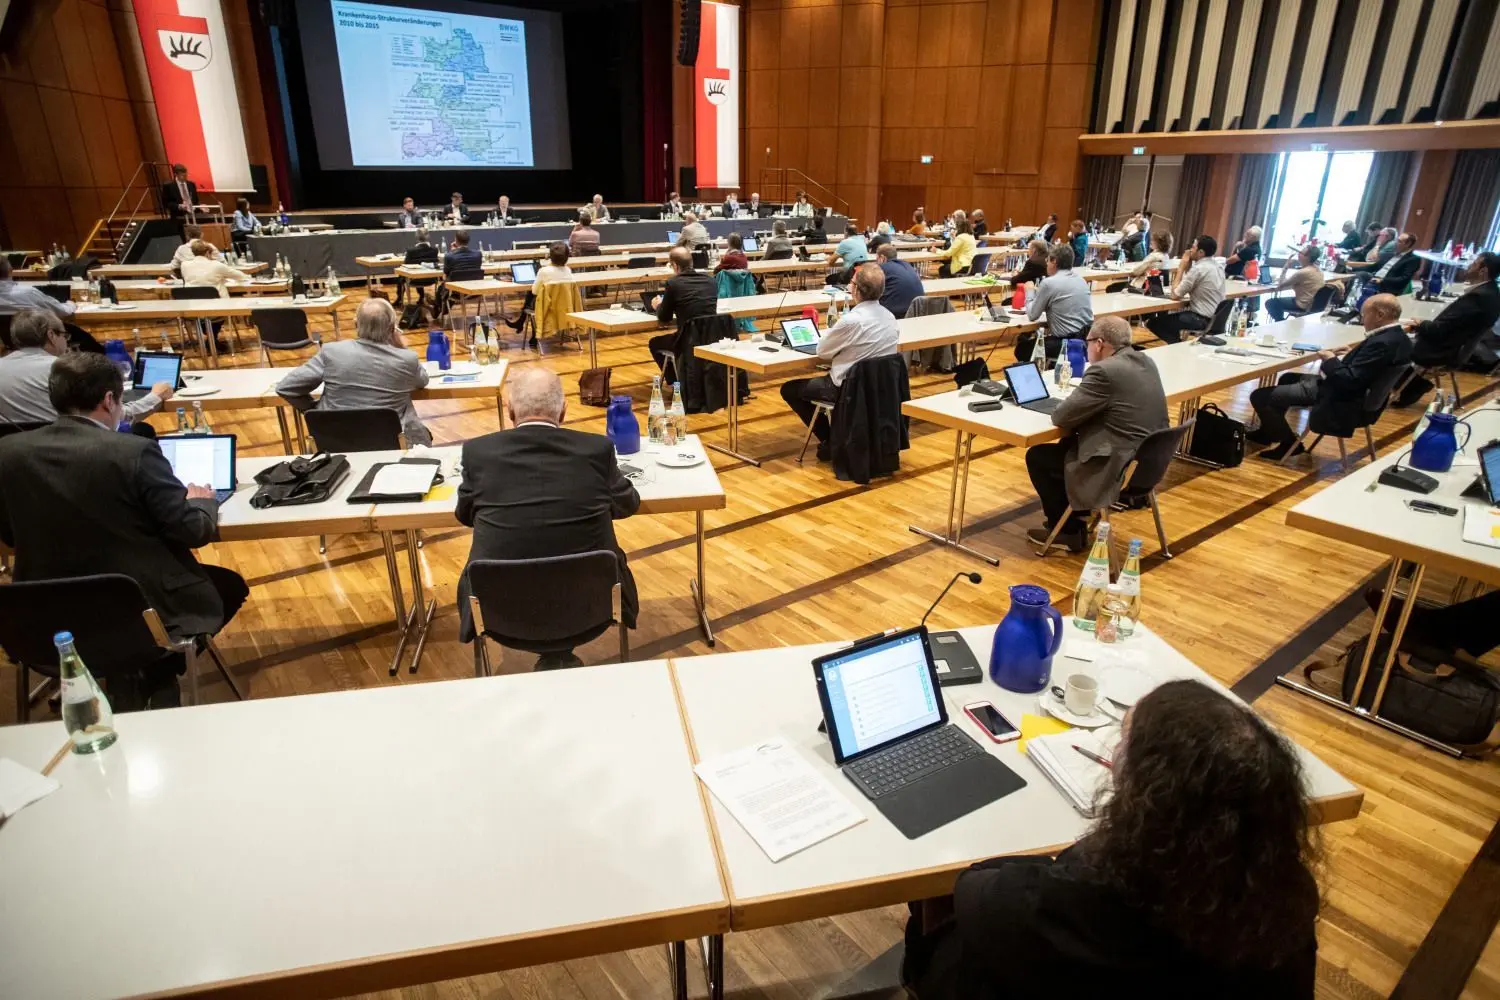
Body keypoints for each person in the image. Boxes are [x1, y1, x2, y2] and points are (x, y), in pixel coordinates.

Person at [902, 679, 1320, 1000]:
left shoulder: (1083, 900)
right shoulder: (1286, 901)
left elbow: (975, 890)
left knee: (934, 892)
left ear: (1147, 792)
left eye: (1124, 740)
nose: (1115, 751)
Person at [0, 352, 248, 707]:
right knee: (227, 587)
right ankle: (158, 672)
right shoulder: (135, 452)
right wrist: (201, 502)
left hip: (42, 616)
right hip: (134, 611)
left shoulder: (6, 452)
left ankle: (136, 675)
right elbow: (192, 531)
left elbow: (10, 536)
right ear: (109, 400)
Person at [456, 367, 639, 670]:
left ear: (510, 410)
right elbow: (628, 504)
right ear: (563, 411)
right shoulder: (596, 450)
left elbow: (465, 515)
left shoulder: (478, 452)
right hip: (592, 606)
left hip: (499, 610)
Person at [1022, 316, 1166, 550]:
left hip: (1117, 467)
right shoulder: (1145, 361)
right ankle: (1076, 516)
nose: (1086, 347)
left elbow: (1061, 417)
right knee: (1067, 445)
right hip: (1147, 464)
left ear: (1099, 344)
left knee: (1038, 457)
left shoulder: (1104, 371)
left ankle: (1068, 531)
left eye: (1087, 342)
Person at [1249, 293, 1412, 460]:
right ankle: (1268, 431)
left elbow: (1349, 380)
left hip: (1344, 399)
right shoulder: (1400, 338)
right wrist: (1353, 355)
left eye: (1364, 314)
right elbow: (1372, 368)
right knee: (1288, 378)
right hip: (1362, 396)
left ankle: (1289, 443)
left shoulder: (1381, 342)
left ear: (1380, 315)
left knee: (1261, 396)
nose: (1362, 320)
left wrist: (1330, 359)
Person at [779, 264, 899, 462]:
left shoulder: (852, 320)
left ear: (856, 289)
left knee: (789, 389)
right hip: (879, 388)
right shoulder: (890, 317)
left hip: (847, 389)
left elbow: (822, 351)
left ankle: (831, 439)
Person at [276, 298, 432, 447]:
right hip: (389, 443)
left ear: (356, 324)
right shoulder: (407, 358)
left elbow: (286, 388)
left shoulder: (331, 351)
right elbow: (422, 381)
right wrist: (400, 347)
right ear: (393, 328)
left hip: (333, 442)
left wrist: (316, 412)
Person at [0, 309, 170, 427]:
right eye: (64, 335)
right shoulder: (68, 371)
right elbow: (114, 416)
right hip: (76, 455)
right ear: (51, 336)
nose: (66, 341)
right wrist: (155, 397)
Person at [1393, 252, 1500, 407]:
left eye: (1474, 263)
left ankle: (1390, 392)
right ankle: (1405, 389)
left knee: (1391, 343)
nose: (1469, 266)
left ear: (1483, 271)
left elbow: (1439, 330)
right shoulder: (1492, 293)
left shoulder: (1477, 297)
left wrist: (1421, 324)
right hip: (1459, 351)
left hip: (1440, 351)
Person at [1017, 244, 1093, 363]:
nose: (1046, 264)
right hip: (1086, 340)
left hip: (1065, 343)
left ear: (1054, 261)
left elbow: (1032, 315)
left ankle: (1040, 372)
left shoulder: (1049, 283)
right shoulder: (1081, 280)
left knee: (1021, 349)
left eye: (1047, 260)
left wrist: (1029, 291)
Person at [1145, 234, 1224, 343]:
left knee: (1153, 323)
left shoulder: (1199, 269)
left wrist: (1181, 267)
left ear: (1201, 252)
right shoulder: (1218, 266)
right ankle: (1176, 344)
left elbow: (1175, 295)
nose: (1190, 250)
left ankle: (1177, 345)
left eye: (1193, 247)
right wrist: (1189, 265)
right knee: (1171, 323)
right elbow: (1191, 283)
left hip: (1200, 318)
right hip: (1216, 318)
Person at [646, 246, 718, 364]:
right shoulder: (711, 281)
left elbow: (664, 318)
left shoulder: (673, 283)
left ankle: (674, 376)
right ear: (691, 262)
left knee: (654, 343)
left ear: (675, 265)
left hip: (687, 339)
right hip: (711, 336)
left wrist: (657, 305)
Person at [1264, 244, 1325, 322]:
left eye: (1301, 253)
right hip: (1314, 304)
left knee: (1271, 303)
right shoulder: (1319, 270)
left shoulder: (1303, 272)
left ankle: (1280, 322)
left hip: (1303, 304)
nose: (1298, 254)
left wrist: (1286, 266)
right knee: (1278, 301)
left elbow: (1281, 284)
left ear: (1307, 257)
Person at [181, 240, 250, 297]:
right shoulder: (216, 265)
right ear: (207, 252)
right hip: (218, 303)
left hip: (194, 304)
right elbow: (241, 276)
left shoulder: (184, 265)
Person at [875, 243, 923, 318]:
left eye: (877, 259)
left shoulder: (882, 268)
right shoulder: (907, 264)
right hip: (918, 309)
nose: (876, 262)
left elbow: (871, 290)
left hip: (895, 313)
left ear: (882, 258)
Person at [1004, 239, 1050, 304]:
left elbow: (1016, 281)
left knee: (1005, 302)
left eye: (1029, 249)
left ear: (1034, 250)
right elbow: (1029, 275)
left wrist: (1015, 274)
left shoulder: (1033, 262)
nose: (1028, 251)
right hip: (1047, 296)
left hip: (1035, 297)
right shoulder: (1049, 259)